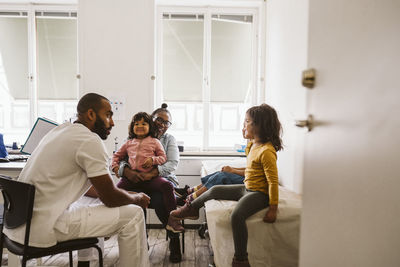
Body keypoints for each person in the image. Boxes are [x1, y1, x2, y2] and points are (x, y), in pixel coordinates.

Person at [3, 93, 151, 267]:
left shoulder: (59, 131)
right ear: (90, 114)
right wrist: (137, 198)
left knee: (91, 199)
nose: (112, 122)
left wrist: (125, 194)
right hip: (43, 228)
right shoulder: (89, 140)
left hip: (19, 226)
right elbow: (110, 198)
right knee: (133, 214)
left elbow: (96, 191)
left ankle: (85, 263)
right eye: (108, 115)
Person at [170, 103, 283, 267]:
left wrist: (273, 208)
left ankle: (241, 259)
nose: (242, 125)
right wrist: (234, 170)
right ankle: (192, 208)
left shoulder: (267, 151)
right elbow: (251, 171)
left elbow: (272, 181)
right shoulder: (253, 146)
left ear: (259, 125)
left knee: (236, 216)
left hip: (259, 194)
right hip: (247, 188)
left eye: (246, 122)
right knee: (215, 189)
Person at [118, 103, 184, 262]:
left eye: (166, 122)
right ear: (150, 119)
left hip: (160, 181)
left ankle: (173, 239)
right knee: (135, 201)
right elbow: (120, 159)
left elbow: (172, 163)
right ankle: (142, 240)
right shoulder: (134, 137)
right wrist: (127, 171)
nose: (162, 124)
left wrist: (152, 173)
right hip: (136, 180)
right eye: (159, 120)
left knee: (160, 201)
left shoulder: (169, 139)